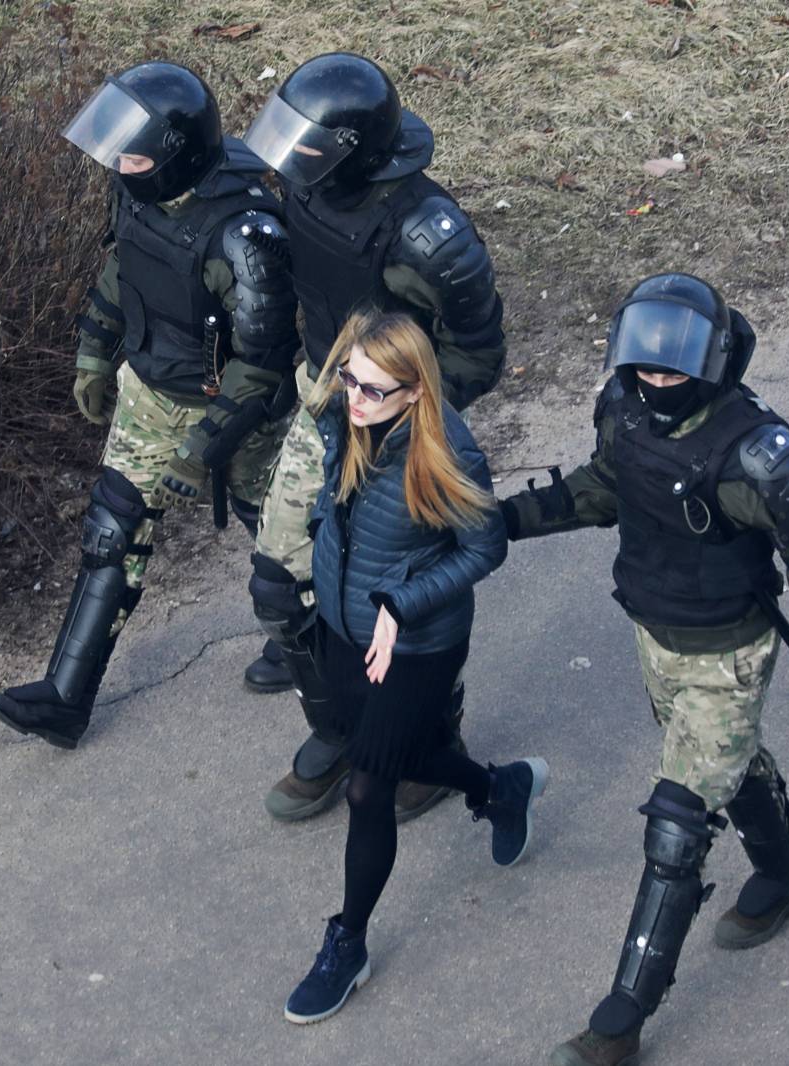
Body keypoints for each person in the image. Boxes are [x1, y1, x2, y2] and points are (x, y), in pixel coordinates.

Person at [498, 274, 789, 1066]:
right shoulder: (624, 407)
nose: (656, 381)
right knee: (722, 768)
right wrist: (505, 522)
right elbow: (604, 487)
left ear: (714, 364)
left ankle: (620, 1019)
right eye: (645, 366)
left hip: (727, 653)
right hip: (654, 635)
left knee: (679, 820)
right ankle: (787, 874)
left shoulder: (765, 460)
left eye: (674, 370)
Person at [0, 62, 300, 749]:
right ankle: (65, 698)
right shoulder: (138, 193)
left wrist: (205, 445)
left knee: (285, 541)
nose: (120, 163)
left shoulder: (245, 239)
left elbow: (265, 364)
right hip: (153, 394)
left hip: (236, 417)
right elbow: (125, 270)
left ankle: (316, 656)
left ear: (174, 154)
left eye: (134, 151)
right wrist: (95, 351)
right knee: (111, 530)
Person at [242, 52, 507, 823]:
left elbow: (477, 352)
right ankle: (339, 730)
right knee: (281, 580)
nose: (289, 161)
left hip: (399, 423)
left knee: (403, 594)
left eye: (308, 147)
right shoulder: (303, 181)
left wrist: (404, 418)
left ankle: (425, 736)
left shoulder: (430, 235)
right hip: (322, 398)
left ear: (353, 152)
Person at [281, 311, 545, 1025]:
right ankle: (500, 786)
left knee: (368, 789)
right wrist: (316, 537)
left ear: (413, 391)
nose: (354, 398)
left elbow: (485, 549)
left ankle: (348, 944)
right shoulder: (348, 415)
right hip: (346, 625)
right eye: (349, 378)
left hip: (419, 644)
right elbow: (336, 499)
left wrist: (401, 601)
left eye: (372, 390)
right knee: (394, 750)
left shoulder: (446, 449)